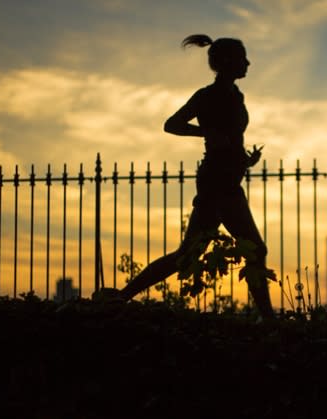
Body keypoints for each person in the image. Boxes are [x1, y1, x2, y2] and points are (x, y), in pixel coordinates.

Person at [112, 34, 275, 318]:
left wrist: (245, 159)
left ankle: (122, 297)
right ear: (226, 62)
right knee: (255, 250)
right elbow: (172, 124)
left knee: (187, 255)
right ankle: (270, 320)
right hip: (218, 183)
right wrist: (206, 132)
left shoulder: (236, 95)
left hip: (227, 179)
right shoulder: (206, 96)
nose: (248, 63)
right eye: (242, 58)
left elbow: (230, 139)